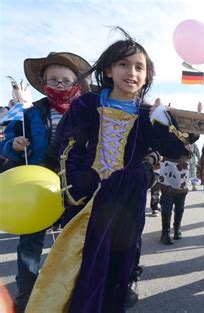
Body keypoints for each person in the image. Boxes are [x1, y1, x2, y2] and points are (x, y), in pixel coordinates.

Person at [25, 28, 188, 313]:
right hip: (90, 197)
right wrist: (78, 184)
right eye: (124, 64)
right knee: (81, 263)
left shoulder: (147, 114)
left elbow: (179, 153)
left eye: (140, 67)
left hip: (129, 200)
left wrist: (163, 123)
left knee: (119, 264)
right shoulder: (88, 103)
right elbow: (69, 145)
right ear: (109, 69)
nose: (132, 72)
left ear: (147, 76)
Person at [1, 52, 92, 313]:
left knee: (74, 242)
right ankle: (27, 292)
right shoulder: (30, 114)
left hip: (74, 188)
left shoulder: (87, 113)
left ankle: (73, 290)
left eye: (66, 80)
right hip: (36, 190)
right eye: (54, 80)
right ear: (43, 83)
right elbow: (7, 145)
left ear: (76, 83)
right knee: (29, 244)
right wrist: (14, 145)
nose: (60, 85)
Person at [157, 132, 199, 245]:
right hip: (168, 176)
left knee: (180, 207)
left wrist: (189, 133)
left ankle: (177, 229)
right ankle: (165, 233)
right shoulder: (168, 133)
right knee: (166, 208)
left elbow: (196, 135)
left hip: (181, 177)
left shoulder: (187, 139)